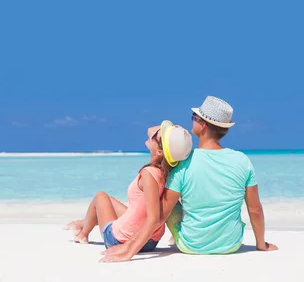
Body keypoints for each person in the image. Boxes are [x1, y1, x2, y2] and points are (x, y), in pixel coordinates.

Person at [101, 96, 278, 263]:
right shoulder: (243, 161)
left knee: (169, 204)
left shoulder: (184, 163)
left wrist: (129, 249)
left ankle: (179, 234)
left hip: (191, 245)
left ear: (203, 126)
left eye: (195, 116)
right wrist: (261, 244)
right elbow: (255, 210)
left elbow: (160, 216)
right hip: (230, 245)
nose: (192, 119)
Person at [64, 121, 193, 255]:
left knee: (100, 197)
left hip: (120, 240)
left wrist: (129, 252)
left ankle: (83, 234)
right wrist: (176, 136)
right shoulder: (171, 174)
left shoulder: (149, 174)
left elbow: (153, 218)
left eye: (156, 135)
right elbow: (151, 130)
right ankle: (84, 223)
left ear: (159, 151)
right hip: (151, 242)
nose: (153, 133)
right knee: (112, 201)